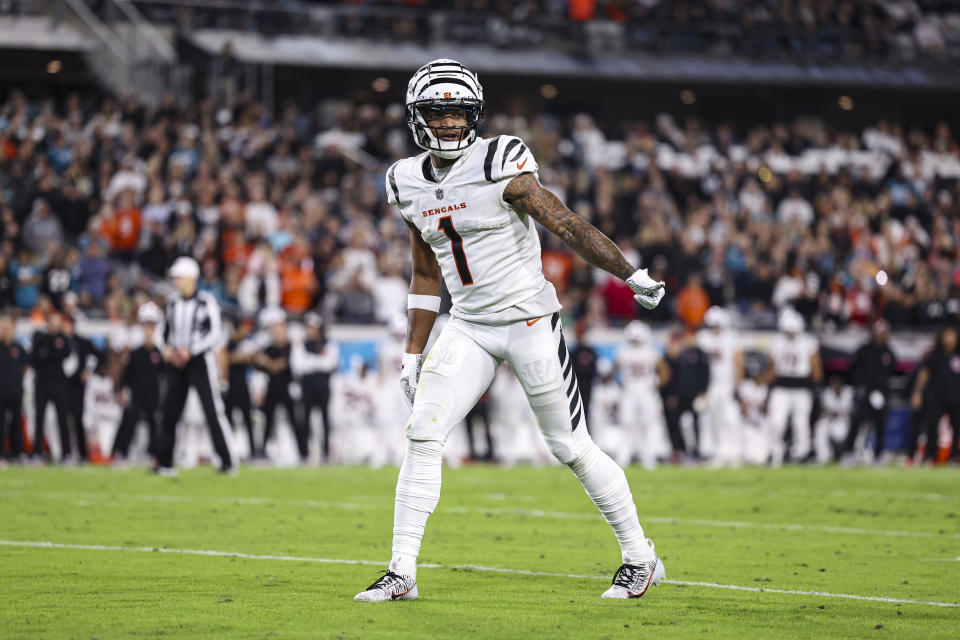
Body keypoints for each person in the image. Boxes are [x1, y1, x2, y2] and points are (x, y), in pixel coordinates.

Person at [354, 59, 667, 603]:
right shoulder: (403, 181)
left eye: (459, 112)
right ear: (416, 117)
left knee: (569, 445)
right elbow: (426, 272)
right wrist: (412, 353)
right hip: (469, 325)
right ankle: (402, 568)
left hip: (528, 321)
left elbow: (565, 222)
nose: (450, 123)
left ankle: (640, 556)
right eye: (438, 111)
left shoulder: (500, 159)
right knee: (422, 432)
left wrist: (630, 274)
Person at [155, 257, 238, 476]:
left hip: (200, 361)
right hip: (177, 362)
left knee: (212, 411)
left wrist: (191, 349)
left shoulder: (206, 301)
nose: (176, 282)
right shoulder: (172, 303)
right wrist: (167, 349)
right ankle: (165, 462)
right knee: (169, 412)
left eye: (179, 277)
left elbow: (214, 333)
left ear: (192, 278)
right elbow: (163, 332)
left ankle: (228, 461)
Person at [766, 308, 822, 465]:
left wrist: (816, 385)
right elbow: (772, 367)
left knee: (801, 423)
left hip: (802, 386)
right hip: (782, 385)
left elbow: (816, 368)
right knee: (776, 421)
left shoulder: (808, 341)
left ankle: (801, 453)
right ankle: (775, 452)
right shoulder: (776, 341)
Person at [112, 302, 165, 462]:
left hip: (153, 393)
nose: (148, 334)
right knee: (129, 421)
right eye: (146, 330)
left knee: (154, 424)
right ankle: (121, 452)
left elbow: (165, 376)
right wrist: (121, 389)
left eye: (151, 330)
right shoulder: (135, 353)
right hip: (136, 393)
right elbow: (127, 374)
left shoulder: (159, 354)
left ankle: (153, 453)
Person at [255, 307, 308, 464]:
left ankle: (303, 453)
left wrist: (269, 362)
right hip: (272, 386)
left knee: (295, 421)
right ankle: (262, 452)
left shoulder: (292, 345)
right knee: (267, 421)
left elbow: (281, 364)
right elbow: (257, 359)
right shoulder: (269, 346)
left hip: (288, 387)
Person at [842, 319, 898, 464]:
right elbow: (852, 370)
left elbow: (891, 373)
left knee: (880, 426)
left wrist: (882, 392)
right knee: (856, 423)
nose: (881, 335)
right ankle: (848, 453)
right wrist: (860, 388)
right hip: (864, 393)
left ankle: (878, 455)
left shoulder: (889, 353)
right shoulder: (864, 350)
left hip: (881, 395)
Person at [696, 307, 744, 465]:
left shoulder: (731, 338)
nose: (715, 327)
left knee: (730, 419)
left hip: (726, 384)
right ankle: (717, 452)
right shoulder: (703, 338)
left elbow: (739, 362)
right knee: (712, 420)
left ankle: (734, 453)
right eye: (713, 324)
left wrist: (737, 386)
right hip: (710, 385)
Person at [615, 320, 665, 470]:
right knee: (627, 423)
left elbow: (664, 371)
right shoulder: (625, 351)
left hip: (644, 391)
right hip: (630, 391)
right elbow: (615, 368)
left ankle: (647, 456)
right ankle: (624, 455)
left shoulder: (649, 351)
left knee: (646, 424)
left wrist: (655, 386)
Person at [657, 329, 710, 462]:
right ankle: (679, 450)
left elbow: (705, 374)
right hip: (679, 396)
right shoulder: (676, 355)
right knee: (675, 424)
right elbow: (671, 376)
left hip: (694, 395)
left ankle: (696, 450)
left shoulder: (699, 354)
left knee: (696, 424)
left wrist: (703, 391)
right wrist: (672, 394)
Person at [292, 312, 339, 463]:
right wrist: (319, 362)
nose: (310, 330)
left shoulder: (329, 343)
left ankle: (325, 453)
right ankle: (304, 453)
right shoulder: (302, 344)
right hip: (307, 386)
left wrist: (310, 361)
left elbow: (330, 364)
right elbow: (298, 365)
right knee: (304, 420)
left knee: (325, 420)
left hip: (323, 387)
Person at [910, 325, 960, 464]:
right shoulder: (935, 354)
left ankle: (954, 456)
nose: (949, 339)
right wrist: (917, 392)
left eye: (952, 336)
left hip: (956, 397)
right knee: (932, 426)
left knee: (957, 427)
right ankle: (931, 456)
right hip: (937, 397)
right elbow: (924, 373)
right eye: (946, 336)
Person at [30, 312, 72, 462]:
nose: (54, 323)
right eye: (52, 320)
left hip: (59, 383)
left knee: (62, 419)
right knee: (39, 419)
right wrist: (52, 354)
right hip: (42, 383)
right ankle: (37, 453)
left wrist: (49, 354)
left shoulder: (64, 339)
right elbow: (35, 359)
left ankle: (66, 453)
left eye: (57, 320)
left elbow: (67, 356)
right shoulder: (40, 338)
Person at [63, 315, 101, 464]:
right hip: (61, 386)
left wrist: (88, 370)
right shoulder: (57, 341)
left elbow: (98, 356)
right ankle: (65, 453)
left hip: (78, 387)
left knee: (78, 420)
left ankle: (83, 454)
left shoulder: (82, 342)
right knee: (63, 421)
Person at [224, 316, 258, 459]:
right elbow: (225, 358)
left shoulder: (247, 342)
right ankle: (228, 451)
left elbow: (253, 359)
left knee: (247, 420)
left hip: (243, 386)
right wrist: (236, 357)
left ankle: (254, 451)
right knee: (228, 421)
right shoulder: (229, 342)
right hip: (230, 386)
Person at [0, 313, 28, 462]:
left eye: (9, 327)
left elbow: (25, 367)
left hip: (15, 390)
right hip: (1, 391)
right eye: (4, 327)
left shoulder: (19, 348)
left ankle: (19, 453)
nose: (6, 330)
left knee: (17, 422)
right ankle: (1, 454)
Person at [816, 375, 854, 464]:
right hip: (832, 422)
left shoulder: (849, 392)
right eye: (833, 384)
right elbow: (826, 411)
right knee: (820, 426)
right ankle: (823, 457)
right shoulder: (826, 393)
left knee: (856, 428)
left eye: (837, 384)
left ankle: (853, 456)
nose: (835, 386)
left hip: (845, 422)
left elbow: (852, 411)